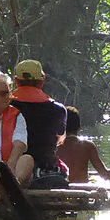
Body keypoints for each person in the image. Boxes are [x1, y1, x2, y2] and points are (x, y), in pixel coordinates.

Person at [9, 59, 69, 189]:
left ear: (16, 81)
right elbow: (60, 138)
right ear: (42, 82)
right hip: (45, 167)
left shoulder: (6, 105)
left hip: (12, 164)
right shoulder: (58, 109)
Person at [56, 106, 110, 184]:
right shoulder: (87, 146)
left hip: (60, 195)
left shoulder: (53, 147)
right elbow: (105, 174)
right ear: (79, 128)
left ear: (61, 127)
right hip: (82, 195)